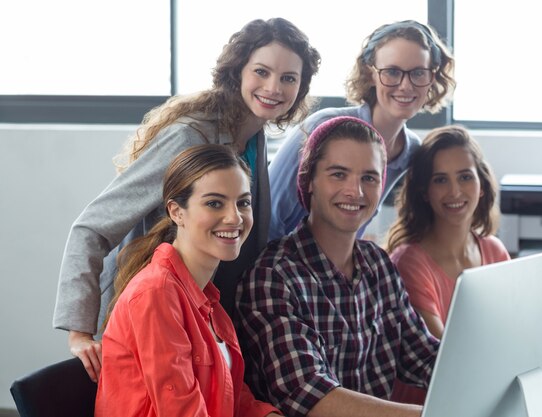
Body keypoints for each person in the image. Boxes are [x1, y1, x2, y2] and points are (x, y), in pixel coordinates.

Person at [53, 17, 321, 381]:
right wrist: (80, 332)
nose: (274, 87)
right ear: (238, 72)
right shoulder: (190, 136)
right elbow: (92, 227)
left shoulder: (253, 135)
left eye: (289, 78)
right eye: (262, 71)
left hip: (196, 314)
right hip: (148, 313)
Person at [236, 116, 439, 417]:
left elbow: (423, 356)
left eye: (369, 178)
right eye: (338, 174)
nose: (355, 192)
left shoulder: (379, 265)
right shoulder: (274, 275)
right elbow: (312, 396)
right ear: (308, 181)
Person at [95, 144, 281, 417]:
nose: (234, 217)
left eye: (243, 202)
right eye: (214, 203)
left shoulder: (206, 297)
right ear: (176, 212)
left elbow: (229, 392)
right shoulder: (155, 293)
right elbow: (181, 410)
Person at [268, 19, 455, 241]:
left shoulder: (410, 150)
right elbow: (268, 215)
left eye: (418, 73)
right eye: (392, 72)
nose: (406, 85)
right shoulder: (322, 127)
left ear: (432, 77)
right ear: (370, 74)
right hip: (278, 265)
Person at [384, 125, 510, 404]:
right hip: (429, 405)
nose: (455, 191)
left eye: (465, 176)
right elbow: (445, 359)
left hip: (483, 393)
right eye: (440, 180)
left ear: (481, 184)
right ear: (424, 191)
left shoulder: (493, 250)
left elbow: (511, 329)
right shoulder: (409, 263)